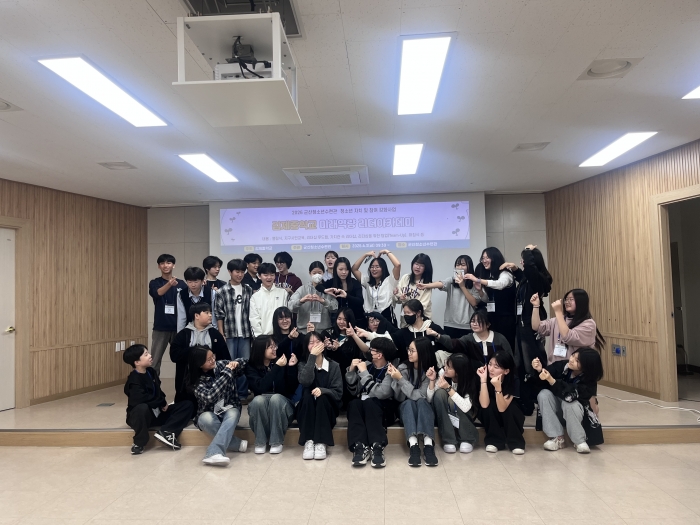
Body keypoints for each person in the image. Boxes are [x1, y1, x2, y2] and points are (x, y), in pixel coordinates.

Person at [501, 245, 552, 415]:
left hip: (531, 328)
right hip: (521, 327)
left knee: (533, 365)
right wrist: (515, 269)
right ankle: (527, 401)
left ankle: (540, 400)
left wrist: (528, 250)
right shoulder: (528, 280)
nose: (522, 262)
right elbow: (524, 275)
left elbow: (530, 270)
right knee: (521, 365)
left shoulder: (539, 279)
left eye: (524, 259)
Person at [123, 344, 193, 455]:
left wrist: (163, 402)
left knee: (187, 405)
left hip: (157, 413)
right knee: (142, 408)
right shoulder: (133, 380)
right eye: (146, 354)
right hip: (142, 416)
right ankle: (139, 443)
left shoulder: (151, 371)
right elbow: (140, 399)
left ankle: (167, 432)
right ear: (137, 362)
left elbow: (158, 391)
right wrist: (161, 402)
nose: (150, 356)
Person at [532, 348, 604, 454]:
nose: (571, 360)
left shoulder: (589, 381)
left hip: (577, 417)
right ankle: (557, 438)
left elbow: (571, 394)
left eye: (577, 361)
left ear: (587, 366)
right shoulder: (562, 366)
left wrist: (552, 380)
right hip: (559, 414)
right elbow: (542, 380)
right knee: (544, 394)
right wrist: (539, 370)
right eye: (573, 356)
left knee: (570, 402)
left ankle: (579, 441)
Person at [187, 346, 248, 466]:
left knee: (233, 413)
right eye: (208, 359)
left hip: (229, 407)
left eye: (213, 356)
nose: (213, 360)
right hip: (209, 413)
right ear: (199, 364)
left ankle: (213, 453)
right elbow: (210, 396)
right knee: (205, 419)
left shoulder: (221, 365)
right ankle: (236, 444)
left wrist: (237, 363)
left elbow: (245, 363)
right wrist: (227, 374)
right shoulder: (196, 382)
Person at [345, 337, 399, 468]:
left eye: (372, 350)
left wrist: (364, 373)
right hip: (365, 409)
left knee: (371, 402)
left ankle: (377, 446)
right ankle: (359, 446)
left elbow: (382, 393)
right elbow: (354, 391)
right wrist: (351, 371)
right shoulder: (368, 366)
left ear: (380, 355)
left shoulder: (390, 370)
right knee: (354, 404)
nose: (369, 352)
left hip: (383, 411)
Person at [245, 335, 299, 454]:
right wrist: (276, 368)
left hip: (282, 406)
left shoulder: (281, 362)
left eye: (275, 346)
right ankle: (260, 442)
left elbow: (291, 388)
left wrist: (291, 368)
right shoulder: (250, 367)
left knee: (276, 398)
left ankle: (276, 442)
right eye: (271, 347)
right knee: (258, 400)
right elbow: (260, 387)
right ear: (260, 349)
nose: (275, 349)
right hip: (262, 408)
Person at [170, 303, 229, 410]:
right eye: (206, 313)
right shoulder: (183, 334)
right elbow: (174, 356)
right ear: (196, 316)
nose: (210, 315)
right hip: (188, 380)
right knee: (187, 408)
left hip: (211, 380)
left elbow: (225, 358)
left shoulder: (215, 334)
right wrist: (195, 351)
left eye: (210, 312)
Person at [390, 337, 439, 467]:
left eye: (412, 350)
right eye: (409, 349)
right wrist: (397, 379)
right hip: (405, 410)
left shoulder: (430, 371)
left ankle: (428, 445)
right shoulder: (402, 368)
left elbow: (421, 395)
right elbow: (399, 397)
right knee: (409, 403)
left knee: (422, 402)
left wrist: (401, 380)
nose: (409, 353)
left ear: (422, 352)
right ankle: (413, 446)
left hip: (424, 410)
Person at [296, 331, 343, 460]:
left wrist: (323, 391)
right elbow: (305, 381)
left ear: (323, 344)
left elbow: (338, 393)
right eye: (311, 343)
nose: (315, 345)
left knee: (322, 398)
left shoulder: (334, 366)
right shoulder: (302, 365)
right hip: (308, 408)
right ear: (306, 347)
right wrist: (312, 357)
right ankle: (309, 440)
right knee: (307, 396)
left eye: (318, 342)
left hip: (327, 408)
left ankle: (321, 441)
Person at [530, 289, 606, 365]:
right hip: (554, 367)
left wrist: (558, 312)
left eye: (571, 299)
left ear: (581, 302)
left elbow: (567, 337)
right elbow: (537, 327)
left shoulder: (589, 324)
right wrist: (536, 306)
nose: (567, 302)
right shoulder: (559, 319)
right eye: (566, 299)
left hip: (573, 369)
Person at [214, 258, 254, 401]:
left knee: (244, 364)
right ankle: (230, 394)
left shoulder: (248, 289)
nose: (240, 274)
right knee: (229, 364)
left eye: (242, 272)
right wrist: (221, 333)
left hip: (245, 333)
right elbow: (219, 314)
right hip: (229, 333)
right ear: (230, 272)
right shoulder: (222, 291)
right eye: (237, 271)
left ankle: (242, 394)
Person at [419, 255, 482, 338]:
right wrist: (426, 285)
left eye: (463, 265)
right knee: (450, 345)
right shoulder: (452, 280)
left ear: (469, 267)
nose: (459, 267)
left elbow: (474, 302)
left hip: (467, 325)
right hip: (450, 324)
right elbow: (441, 283)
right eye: (457, 265)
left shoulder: (474, 282)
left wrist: (462, 286)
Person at [467, 247, 516, 353]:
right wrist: (480, 291)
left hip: (506, 318)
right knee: (494, 347)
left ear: (495, 258)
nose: (484, 261)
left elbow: (500, 284)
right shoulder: (489, 275)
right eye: (483, 258)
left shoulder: (505, 273)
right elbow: (487, 300)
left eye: (487, 258)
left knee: (506, 347)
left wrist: (478, 280)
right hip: (493, 317)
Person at [477, 350, 525, 454]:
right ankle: (494, 441)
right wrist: (483, 380)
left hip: (506, 410)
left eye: (496, 367)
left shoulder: (513, 380)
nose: (491, 369)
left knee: (512, 408)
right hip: (491, 411)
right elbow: (484, 405)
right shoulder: (484, 376)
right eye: (490, 364)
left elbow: (502, 408)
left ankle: (516, 443)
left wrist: (498, 388)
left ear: (506, 371)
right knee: (489, 407)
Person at [433, 353, 479, 454]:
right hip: (447, 414)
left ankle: (468, 438)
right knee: (439, 393)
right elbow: (431, 399)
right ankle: (449, 439)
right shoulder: (443, 373)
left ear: (458, 372)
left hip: (465, 414)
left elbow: (466, 407)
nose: (445, 368)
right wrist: (433, 381)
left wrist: (448, 388)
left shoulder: (470, 381)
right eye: (445, 365)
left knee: (454, 400)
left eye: (449, 367)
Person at [148, 254, 186, 374]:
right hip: (161, 327)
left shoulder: (182, 284)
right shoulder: (155, 282)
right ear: (159, 266)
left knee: (182, 359)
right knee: (154, 361)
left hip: (179, 327)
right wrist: (169, 284)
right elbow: (158, 293)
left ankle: (182, 385)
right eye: (162, 263)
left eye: (169, 263)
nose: (165, 265)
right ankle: (153, 385)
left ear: (173, 265)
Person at [437, 309, 514, 366]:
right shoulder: (469, 338)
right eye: (473, 321)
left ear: (488, 324)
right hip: (476, 378)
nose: (474, 324)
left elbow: (510, 360)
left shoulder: (500, 339)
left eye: (479, 322)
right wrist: (437, 336)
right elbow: (453, 344)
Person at [352, 250, 401, 325]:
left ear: (383, 268)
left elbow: (397, 265)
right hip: (371, 318)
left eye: (377, 267)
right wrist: (365, 255)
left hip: (386, 317)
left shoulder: (390, 281)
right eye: (372, 267)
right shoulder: (367, 282)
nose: (374, 269)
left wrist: (386, 252)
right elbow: (354, 269)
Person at [288, 261, 338, 334]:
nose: (317, 275)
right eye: (314, 273)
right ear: (310, 273)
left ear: (323, 273)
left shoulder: (327, 290)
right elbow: (290, 307)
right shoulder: (302, 289)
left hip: (324, 332)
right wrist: (301, 301)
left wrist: (323, 301)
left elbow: (335, 308)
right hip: (304, 331)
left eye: (319, 273)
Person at [321, 256, 366, 328]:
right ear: (335, 269)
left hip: (356, 320)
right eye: (341, 269)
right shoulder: (331, 282)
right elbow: (318, 287)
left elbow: (360, 301)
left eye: (346, 269)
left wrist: (347, 296)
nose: (344, 272)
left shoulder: (355, 283)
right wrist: (325, 290)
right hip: (339, 321)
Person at [395, 253, 434, 327]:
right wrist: (400, 297)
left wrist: (407, 305)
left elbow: (423, 306)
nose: (418, 267)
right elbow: (397, 297)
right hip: (406, 319)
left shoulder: (427, 284)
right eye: (416, 264)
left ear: (426, 268)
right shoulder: (406, 278)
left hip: (421, 320)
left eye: (422, 265)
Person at [250, 262, 289, 336]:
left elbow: (287, 315)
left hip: (281, 335)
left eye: (272, 275)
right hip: (264, 337)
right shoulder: (255, 297)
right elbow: (254, 320)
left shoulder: (283, 293)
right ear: (259, 276)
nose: (269, 277)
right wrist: (260, 338)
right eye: (266, 275)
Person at [176, 266, 217, 333]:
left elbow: (214, 315)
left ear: (202, 281)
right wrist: (180, 334)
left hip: (208, 329)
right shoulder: (181, 294)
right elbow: (181, 317)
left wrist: (215, 332)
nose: (193, 285)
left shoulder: (211, 292)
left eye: (196, 282)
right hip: (189, 329)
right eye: (190, 282)